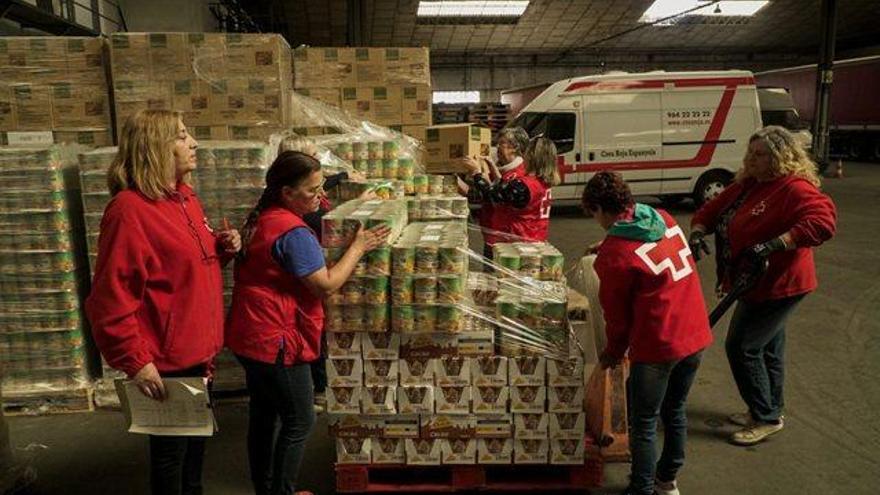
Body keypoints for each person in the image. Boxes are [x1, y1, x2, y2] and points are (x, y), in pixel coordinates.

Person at [85, 109, 241, 495]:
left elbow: (180, 268)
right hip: (167, 362)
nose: (194, 143)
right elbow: (110, 298)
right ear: (157, 147)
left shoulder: (185, 198)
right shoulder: (129, 211)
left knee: (195, 454)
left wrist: (223, 250)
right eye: (183, 136)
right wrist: (135, 361)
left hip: (197, 353)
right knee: (171, 459)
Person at [226, 151, 390, 495]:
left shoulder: (264, 217)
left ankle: (265, 488)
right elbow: (325, 284)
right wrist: (358, 247)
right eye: (313, 191)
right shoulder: (294, 233)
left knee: (264, 415)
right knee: (301, 420)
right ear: (287, 192)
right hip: (277, 339)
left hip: (249, 334)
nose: (320, 197)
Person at [689, 126, 836, 446]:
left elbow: (822, 222)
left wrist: (777, 243)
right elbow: (710, 211)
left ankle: (765, 416)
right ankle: (769, 409)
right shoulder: (747, 185)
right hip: (751, 281)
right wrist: (699, 231)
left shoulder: (793, 188)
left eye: (760, 155)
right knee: (769, 348)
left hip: (780, 284)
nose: (752, 159)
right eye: (750, 153)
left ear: (780, 157)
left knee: (742, 346)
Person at [583, 171, 713, 495]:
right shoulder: (662, 218)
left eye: (594, 214)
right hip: (694, 333)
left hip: (659, 343)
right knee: (675, 409)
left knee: (643, 421)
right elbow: (651, 250)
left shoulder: (614, 256)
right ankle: (666, 480)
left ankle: (640, 487)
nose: (596, 221)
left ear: (601, 208)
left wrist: (611, 354)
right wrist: (610, 241)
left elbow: (617, 318)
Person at [464, 134, 559, 259]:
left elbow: (493, 196)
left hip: (519, 245)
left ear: (533, 157)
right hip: (536, 239)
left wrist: (476, 172)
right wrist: (493, 168)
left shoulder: (526, 185)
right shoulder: (541, 182)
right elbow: (505, 189)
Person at [461, 127, 531, 258]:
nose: (497, 148)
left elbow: (492, 196)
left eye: (502, 144)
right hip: (492, 236)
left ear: (515, 148)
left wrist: (477, 173)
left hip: (505, 242)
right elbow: (480, 194)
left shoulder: (519, 176)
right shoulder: (501, 170)